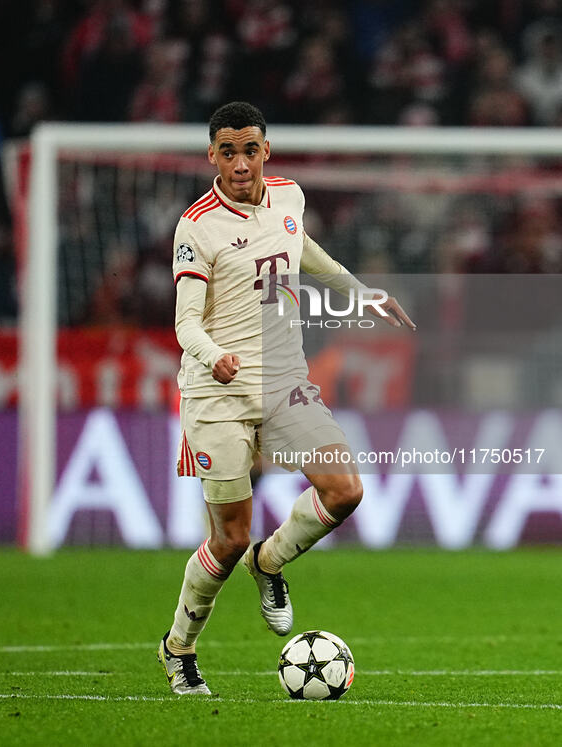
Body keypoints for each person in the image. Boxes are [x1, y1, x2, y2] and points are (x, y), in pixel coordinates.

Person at [158, 101, 415, 695]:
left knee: (345, 489)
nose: (241, 162)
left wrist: (361, 293)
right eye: (228, 151)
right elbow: (185, 323)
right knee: (227, 538)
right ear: (212, 157)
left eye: (250, 149)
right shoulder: (197, 226)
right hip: (217, 393)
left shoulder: (290, 197)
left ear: (266, 151)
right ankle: (179, 649)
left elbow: (304, 252)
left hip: (284, 382)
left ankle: (269, 562)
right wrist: (211, 355)